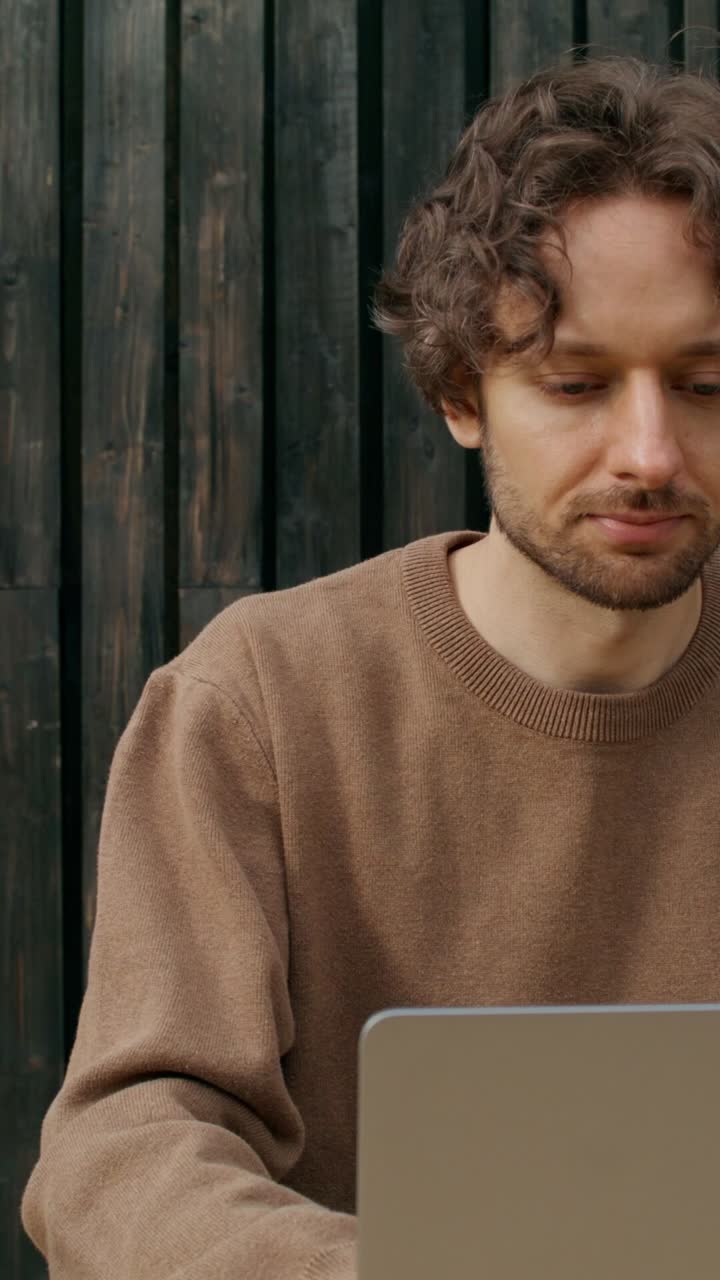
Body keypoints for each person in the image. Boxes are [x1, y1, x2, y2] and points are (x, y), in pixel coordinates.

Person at [22, 53, 720, 1278]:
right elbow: (120, 1152)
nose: (651, 450)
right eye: (577, 384)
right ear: (462, 388)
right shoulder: (259, 705)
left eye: (708, 383)